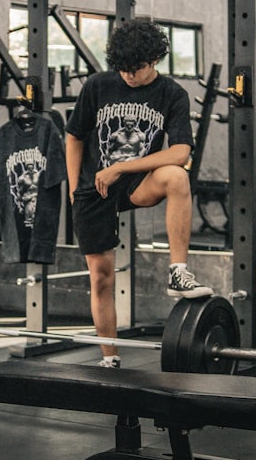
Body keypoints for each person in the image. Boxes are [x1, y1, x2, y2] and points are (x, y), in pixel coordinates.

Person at [65, 18, 211, 369]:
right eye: (124, 70)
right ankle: (110, 357)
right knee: (101, 278)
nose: (130, 76)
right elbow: (74, 136)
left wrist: (120, 167)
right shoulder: (98, 86)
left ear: (155, 59)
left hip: (134, 184)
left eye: (138, 69)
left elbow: (180, 153)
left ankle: (177, 271)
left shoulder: (171, 93)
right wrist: (74, 189)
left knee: (176, 177)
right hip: (93, 188)